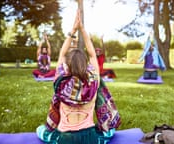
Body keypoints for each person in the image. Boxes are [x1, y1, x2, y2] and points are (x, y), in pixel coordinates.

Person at [36, 10, 121, 144]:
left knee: (40, 130)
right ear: (85, 65)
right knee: (109, 132)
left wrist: (73, 30)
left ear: (67, 66)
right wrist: (82, 29)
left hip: (65, 138)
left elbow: (62, 54)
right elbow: (93, 55)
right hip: (89, 138)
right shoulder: (94, 81)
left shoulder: (60, 82)